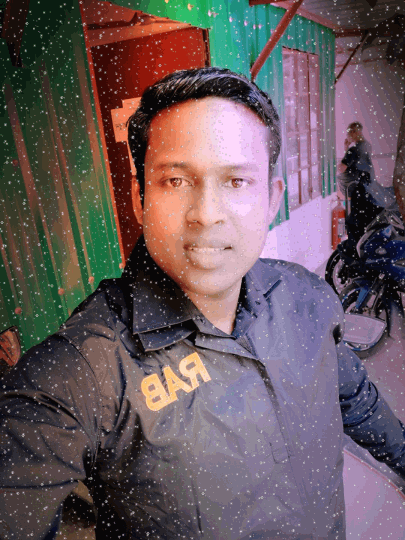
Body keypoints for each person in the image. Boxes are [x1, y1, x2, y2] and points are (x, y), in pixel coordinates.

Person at [0, 67, 404, 540]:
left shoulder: (306, 296)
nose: (207, 214)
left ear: (271, 197)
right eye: (175, 180)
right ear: (139, 197)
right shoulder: (84, 368)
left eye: (236, 181)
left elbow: (355, 398)